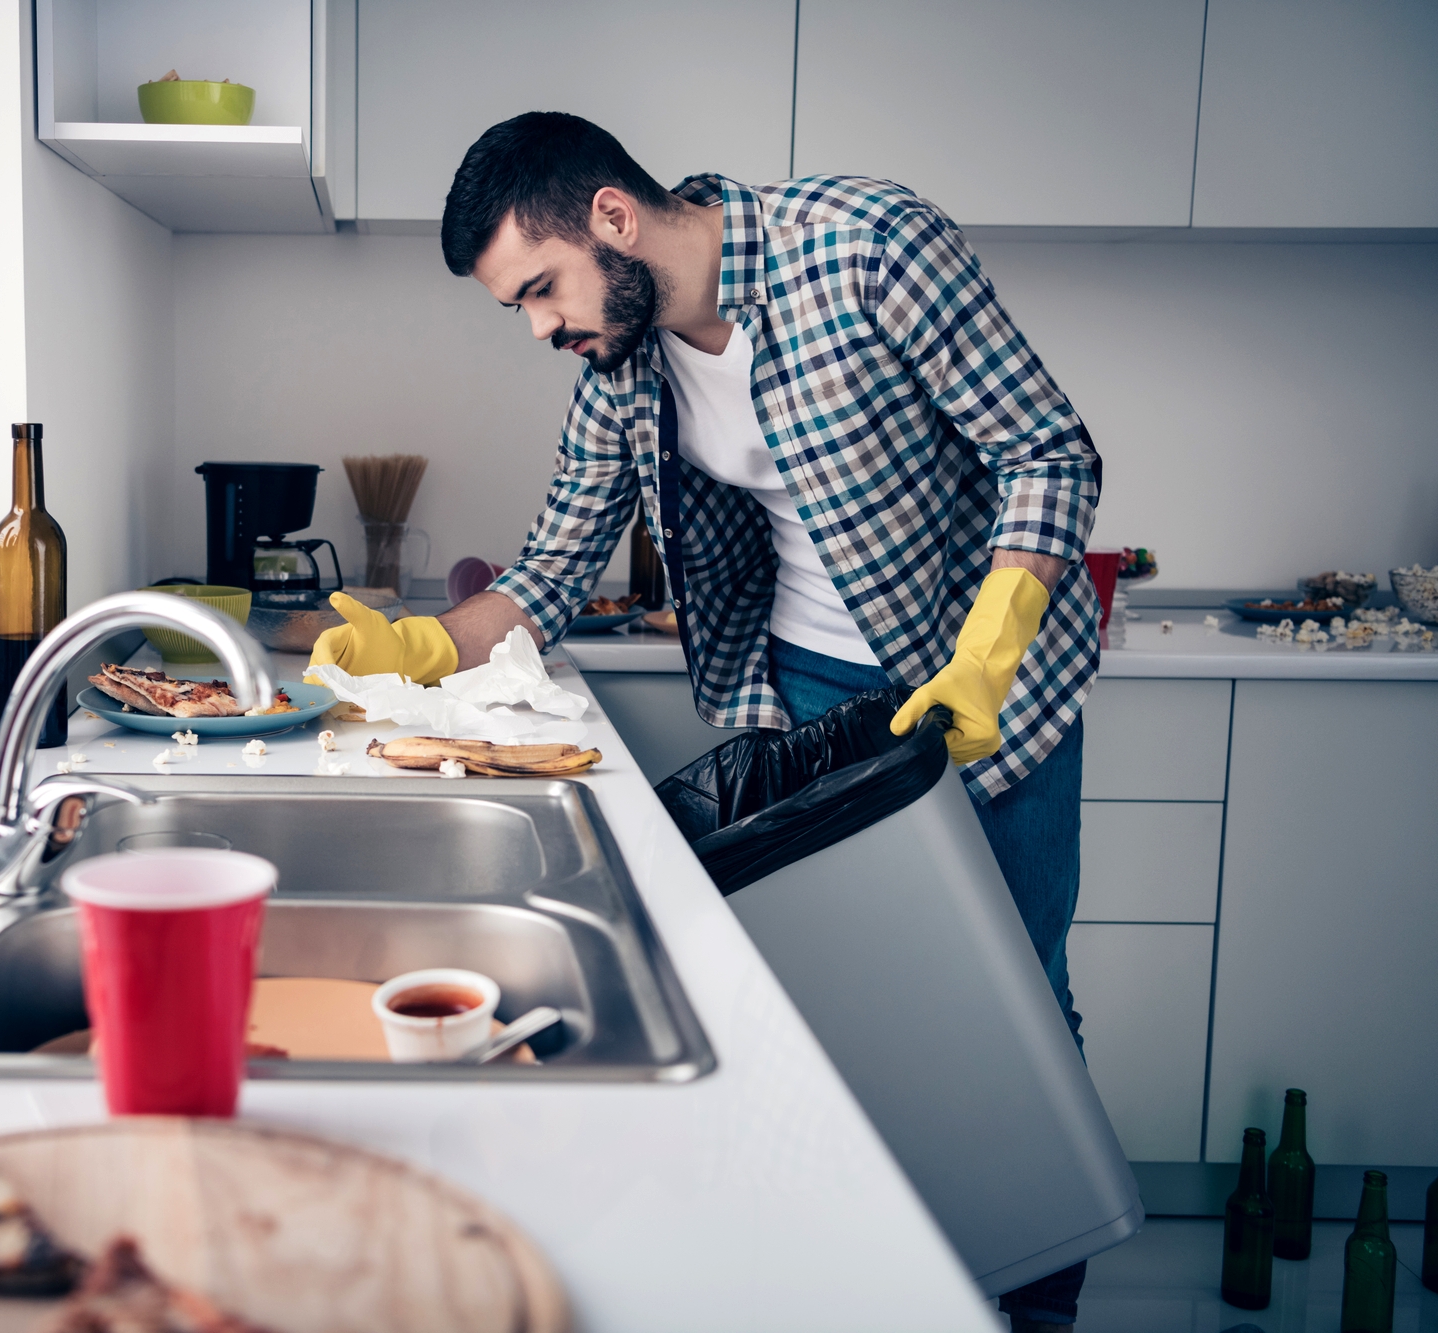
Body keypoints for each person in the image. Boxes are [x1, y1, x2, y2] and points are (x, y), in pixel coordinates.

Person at [309, 112, 1103, 1328]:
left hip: (981, 697)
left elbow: (1045, 452)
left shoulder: (867, 248)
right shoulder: (620, 364)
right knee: (850, 1003)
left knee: (1018, 1002)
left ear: (612, 221)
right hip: (807, 701)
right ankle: (884, 1282)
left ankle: (1035, 1293)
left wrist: (988, 651)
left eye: (539, 289)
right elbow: (550, 574)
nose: (540, 328)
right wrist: (407, 649)